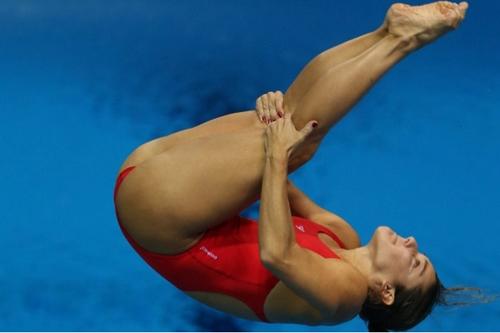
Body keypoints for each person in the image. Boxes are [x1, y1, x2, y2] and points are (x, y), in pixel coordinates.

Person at [113, 2, 469, 331]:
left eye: (415, 262)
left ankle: (403, 41)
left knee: (296, 146)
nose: (411, 242)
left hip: (160, 220)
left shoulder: (342, 298)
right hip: (164, 189)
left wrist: (276, 153)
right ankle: (388, 32)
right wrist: (269, 125)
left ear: (386, 290)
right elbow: (276, 183)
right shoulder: (341, 236)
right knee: (290, 120)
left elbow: (277, 254)